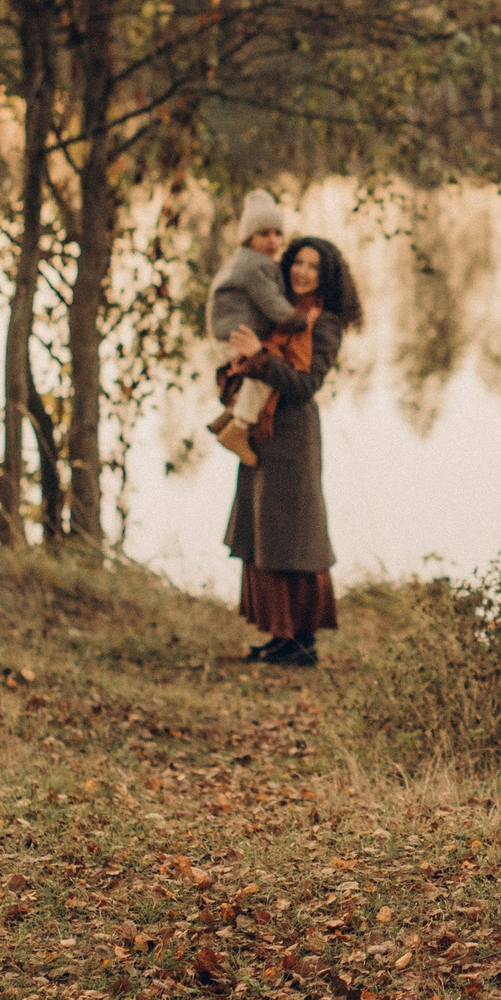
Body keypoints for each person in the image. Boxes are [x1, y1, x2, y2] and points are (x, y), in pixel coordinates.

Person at [222, 236, 363, 669]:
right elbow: (254, 360)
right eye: (297, 262)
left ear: (328, 276)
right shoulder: (280, 312)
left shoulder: (326, 323)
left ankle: (303, 642)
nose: (302, 272)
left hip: (294, 438)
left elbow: (305, 385)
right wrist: (238, 361)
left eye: (313, 267)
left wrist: (260, 357)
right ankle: (281, 637)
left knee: (295, 539)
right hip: (263, 432)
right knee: (265, 534)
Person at [206, 190, 307, 466]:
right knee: (264, 371)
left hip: (227, 332)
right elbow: (273, 305)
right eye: (264, 234)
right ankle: (238, 429)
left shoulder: (244, 261)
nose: (273, 241)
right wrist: (301, 320)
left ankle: (230, 414)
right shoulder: (255, 268)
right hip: (234, 334)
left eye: (277, 233)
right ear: (249, 237)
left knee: (256, 372)